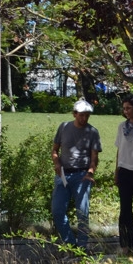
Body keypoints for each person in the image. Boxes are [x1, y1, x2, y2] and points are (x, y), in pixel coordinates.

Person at [51, 99, 101, 249]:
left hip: (82, 175)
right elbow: (55, 150)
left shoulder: (92, 132)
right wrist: (57, 163)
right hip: (64, 174)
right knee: (58, 211)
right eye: (81, 115)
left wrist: (90, 172)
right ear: (74, 114)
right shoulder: (64, 127)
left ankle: (83, 247)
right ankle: (71, 245)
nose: (84, 118)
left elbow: (94, 157)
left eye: (87, 115)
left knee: (82, 214)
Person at [114, 97, 133, 255]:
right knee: (125, 209)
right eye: (124, 108)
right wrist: (117, 171)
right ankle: (126, 244)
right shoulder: (121, 127)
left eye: (129, 107)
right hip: (124, 170)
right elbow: (119, 149)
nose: (126, 111)